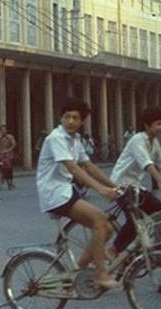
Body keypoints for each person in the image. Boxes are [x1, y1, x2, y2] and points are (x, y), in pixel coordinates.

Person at [36, 98, 120, 289]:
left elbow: (89, 166)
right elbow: (73, 168)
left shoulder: (75, 139)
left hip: (66, 190)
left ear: (82, 121)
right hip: (55, 193)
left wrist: (115, 186)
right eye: (67, 117)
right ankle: (100, 273)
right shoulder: (56, 138)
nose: (71, 121)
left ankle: (77, 272)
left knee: (107, 228)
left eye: (76, 118)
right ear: (61, 118)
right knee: (100, 220)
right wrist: (100, 189)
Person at [107, 106, 161, 260]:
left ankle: (151, 253)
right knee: (136, 221)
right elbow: (146, 163)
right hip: (121, 185)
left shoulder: (154, 142)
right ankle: (113, 249)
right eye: (158, 124)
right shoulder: (138, 140)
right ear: (147, 125)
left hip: (135, 186)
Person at [0, 124, 17, 189]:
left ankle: (10, 183)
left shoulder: (10, 137)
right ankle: (1, 180)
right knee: (2, 168)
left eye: (4, 129)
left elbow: (14, 144)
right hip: (1, 155)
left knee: (9, 169)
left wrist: (8, 150)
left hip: (8, 156)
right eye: (2, 130)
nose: (3, 131)